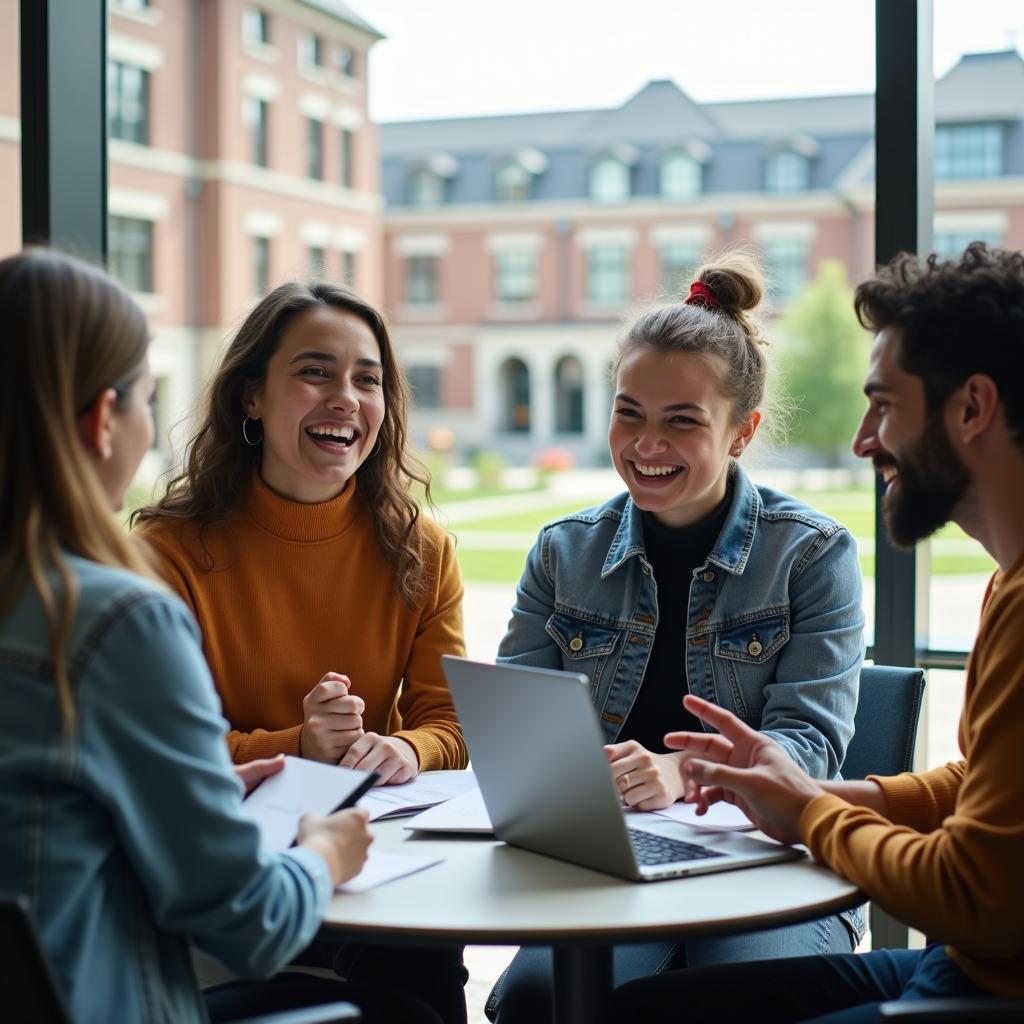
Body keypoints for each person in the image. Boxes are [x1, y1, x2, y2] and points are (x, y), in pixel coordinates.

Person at [0, 248, 443, 1024]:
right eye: (145, 398)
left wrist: (191, 790)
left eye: (367, 378)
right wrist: (325, 853)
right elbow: (251, 923)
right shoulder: (115, 618)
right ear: (104, 421)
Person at [611, 241, 1024, 1022]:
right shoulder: (1010, 580)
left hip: (988, 990)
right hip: (969, 968)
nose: (865, 439)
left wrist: (809, 816)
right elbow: (981, 787)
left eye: (885, 405)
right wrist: (815, 794)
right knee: (641, 1009)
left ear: (972, 409)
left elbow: (975, 895)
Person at [487, 250, 866, 1023]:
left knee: (744, 1003)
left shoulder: (812, 554)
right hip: (611, 859)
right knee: (538, 1000)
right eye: (629, 412)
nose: (645, 444)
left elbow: (810, 746)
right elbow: (517, 734)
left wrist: (682, 772)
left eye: (682, 421)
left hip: (767, 857)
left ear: (741, 431)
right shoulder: (562, 553)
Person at [132, 279, 469, 1021]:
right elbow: (156, 756)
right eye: (316, 372)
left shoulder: (422, 548)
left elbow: (451, 725)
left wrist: (404, 748)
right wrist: (300, 745)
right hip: (226, 869)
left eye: (367, 380)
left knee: (421, 970)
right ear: (251, 396)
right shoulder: (167, 552)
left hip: (376, 858)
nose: (345, 398)